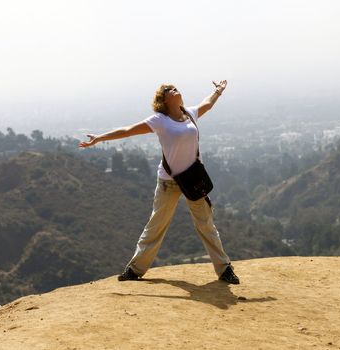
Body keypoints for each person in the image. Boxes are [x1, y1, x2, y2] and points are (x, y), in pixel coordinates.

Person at [79, 80, 240, 284]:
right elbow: (128, 130)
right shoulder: (159, 120)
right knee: (156, 225)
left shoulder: (190, 113)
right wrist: (99, 138)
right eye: (169, 90)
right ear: (163, 100)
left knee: (206, 224)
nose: (175, 89)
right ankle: (134, 270)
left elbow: (207, 104)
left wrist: (218, 91)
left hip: (193, 181)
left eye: (174, 87)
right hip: (169, 182)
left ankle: (224, 269)